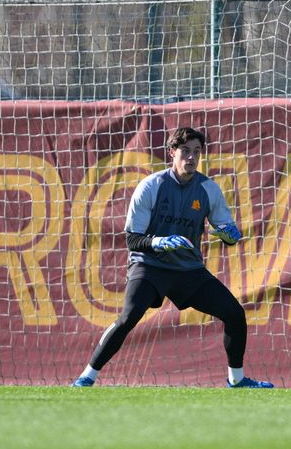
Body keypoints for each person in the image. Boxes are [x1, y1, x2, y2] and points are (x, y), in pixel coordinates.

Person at [72, 126, 273, 389]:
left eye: (197, 152)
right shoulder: (151, 186)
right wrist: (159, 242)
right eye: (185, 151)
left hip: (188, 271)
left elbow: (228, 234)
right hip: (149, 266)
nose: (191, 157)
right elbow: (132, 239)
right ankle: (87, 376)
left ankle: (236, 380)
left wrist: (229, 235)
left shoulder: (209, 189)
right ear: (172, 153)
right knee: (129, 317)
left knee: (234, 314)